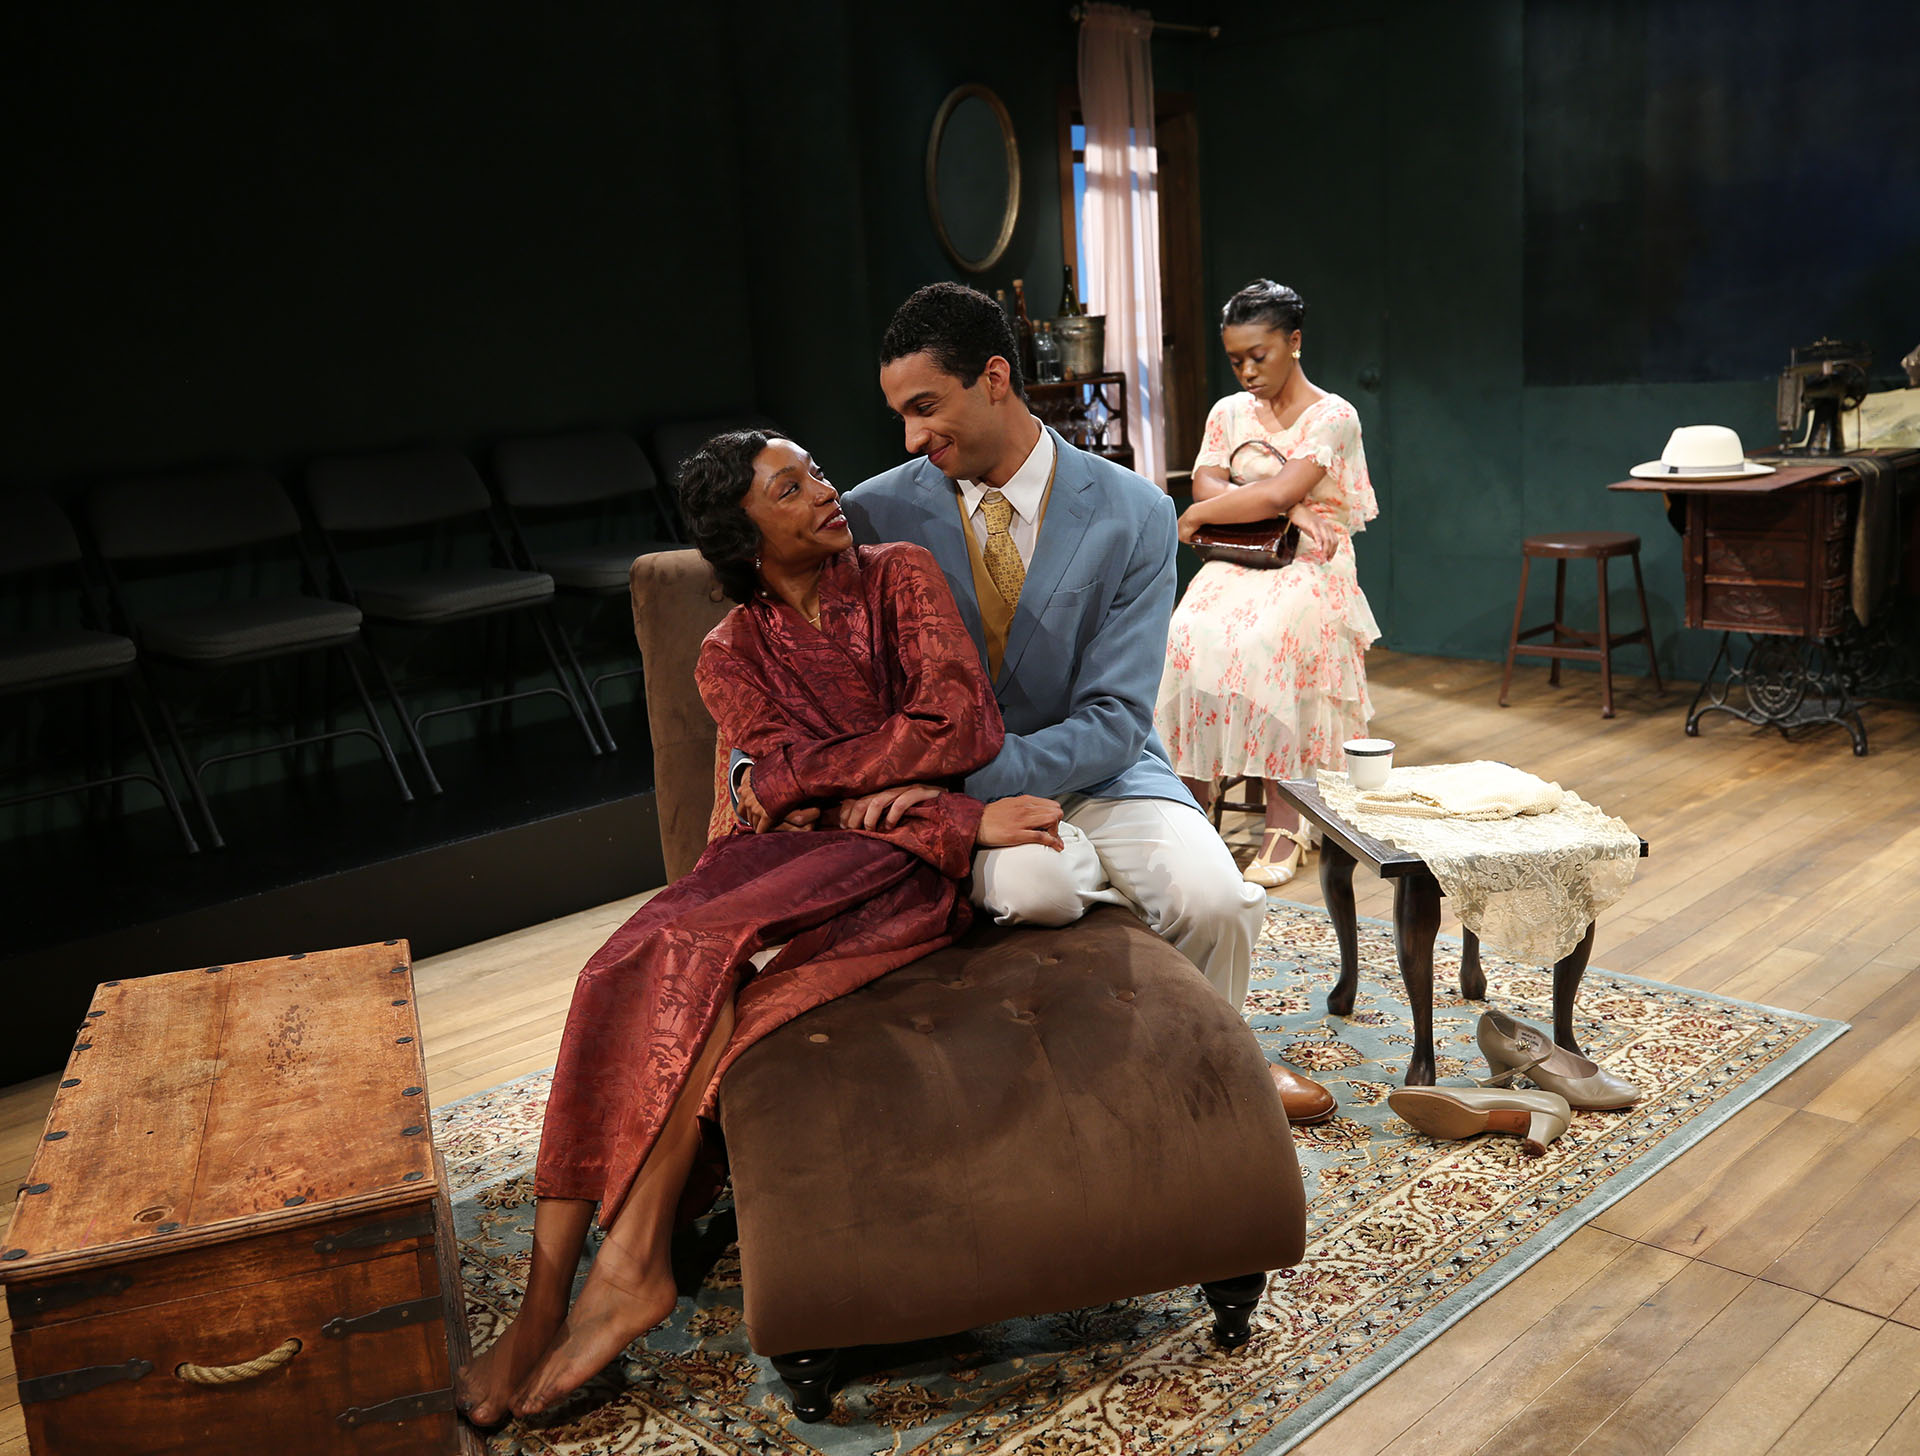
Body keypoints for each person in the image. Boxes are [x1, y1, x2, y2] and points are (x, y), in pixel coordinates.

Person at [454, 430, 1065, 1426]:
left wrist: (906, 810)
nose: (825, 490)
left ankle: (631, 1266)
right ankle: (542, 1300)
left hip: (895, 867)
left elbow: (960, 726)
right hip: (783, 858)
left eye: (815, 471)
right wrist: (904, 792)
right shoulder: (728, 654)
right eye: (791, 487)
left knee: (707, 962)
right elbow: (776, 797)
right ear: (744, 537)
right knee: (615, 965)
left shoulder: (899, 576)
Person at [833, 281, 1337, 1129]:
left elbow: (1115, 719)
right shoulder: (873, 513)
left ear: (995, 378)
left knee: (1215, 900)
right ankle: (1110, 1058)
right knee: (1041, 890)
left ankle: (1213, 1063)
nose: (913, 438)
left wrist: (970, 779)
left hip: (1102, 772)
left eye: (926, 407)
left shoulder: (1135, 512)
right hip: (960, 797)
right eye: (901, 417)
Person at [1156, 280, 1381, 886]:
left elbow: (1252, 491)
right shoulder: (1228, 413)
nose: (1248, 371)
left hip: (1311, 562)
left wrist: (1266, 504)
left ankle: (1287, 819)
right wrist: (1285, 505)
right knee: (1185, 633)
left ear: (1294, 342)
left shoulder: (1334, 416)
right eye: (1236, 360)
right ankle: (1190, 800)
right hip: (1243, 554)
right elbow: (1205, 482)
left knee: (1267, 641)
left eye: (1259, 356)